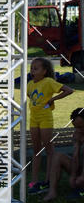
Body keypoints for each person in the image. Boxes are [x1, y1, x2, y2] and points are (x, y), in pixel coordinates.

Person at [27, 57, 74, 193]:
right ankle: (34, 181)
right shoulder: (30, 84)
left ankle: (48, 180)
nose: (32, 71)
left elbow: (69, 90)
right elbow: (31, 96)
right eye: (31, 68)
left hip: (46, 119)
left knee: (48, 149)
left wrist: (52, 99)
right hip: (33, 119)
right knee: (36, 149)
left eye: (36, 68)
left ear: (44, 71)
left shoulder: (48, 82)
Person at [43, 108, 84, 201]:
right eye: (76, 127)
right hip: (81, 168)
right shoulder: (78, 134)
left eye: (81, 127)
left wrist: (81, 178)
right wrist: (73, 175)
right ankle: (52, 192)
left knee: (79, 181)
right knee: (57, 156)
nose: (78, 130)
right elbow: (75, 158)